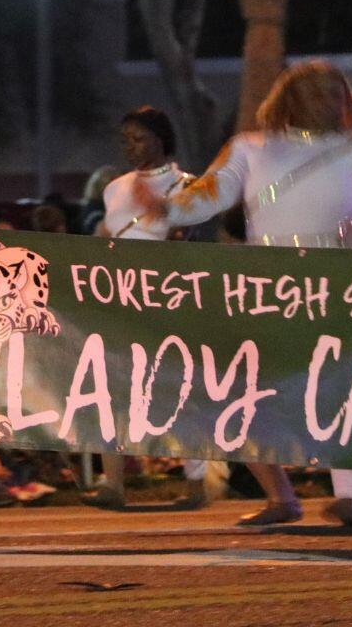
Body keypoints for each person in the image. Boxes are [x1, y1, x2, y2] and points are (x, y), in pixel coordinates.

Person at [141, 60, 352, 526]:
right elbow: (209, 196)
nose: (329, 101)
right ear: (287, 100)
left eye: (336, 92)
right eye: (316, 92)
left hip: (342, 287)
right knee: (239, 390)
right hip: (269, 289)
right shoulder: (250, 148)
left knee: (342, 390)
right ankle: (281, 497)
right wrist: (166, 209)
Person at [84, 106, 217, 511]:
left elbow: (186, 239)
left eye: (139, 138)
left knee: (177, 390)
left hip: (170, 304)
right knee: (110, 387)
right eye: (125, 139)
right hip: (119, 301)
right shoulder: (113, 188)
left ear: (162, 139)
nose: (130, 146)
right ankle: (113, 483)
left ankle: (197, 483)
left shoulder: (189, 186)